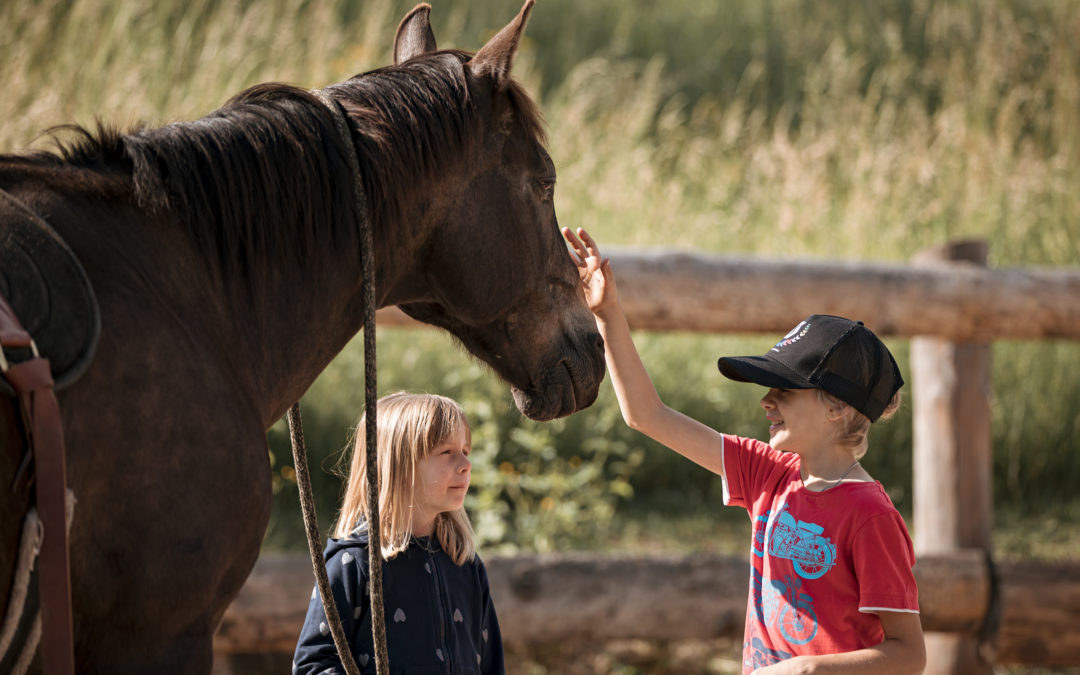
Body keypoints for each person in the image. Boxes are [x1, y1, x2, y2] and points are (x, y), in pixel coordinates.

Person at [563, 227, 925, 674]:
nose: (766, 401)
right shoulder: (767, 473)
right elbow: (646, 415)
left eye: (785, 390)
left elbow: (909, 654)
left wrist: (808, 670)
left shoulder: (871, 516)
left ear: (837, 407)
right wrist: (608, 314)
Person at [293, 392, 505, 674]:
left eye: (465, 451)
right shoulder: (354, 565)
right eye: (446, 452)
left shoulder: (466, 567)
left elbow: (491, 665)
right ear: (398, 465)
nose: (465, 464)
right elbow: (313, 665)